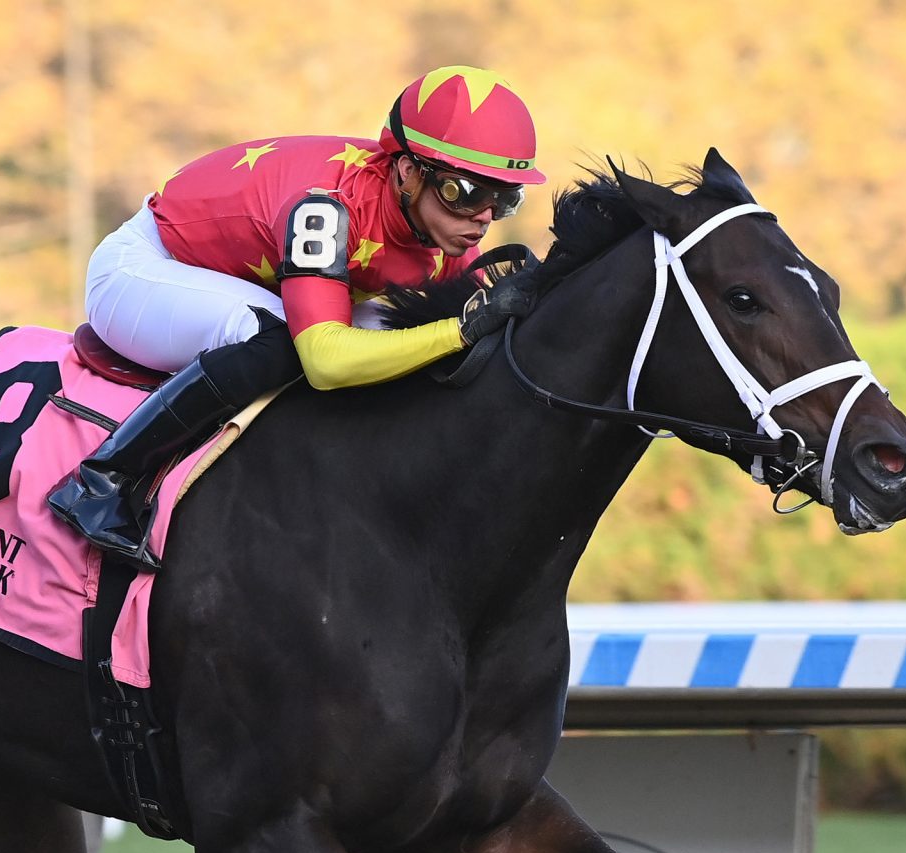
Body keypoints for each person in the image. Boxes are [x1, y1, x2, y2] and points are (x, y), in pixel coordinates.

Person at [48, 66, 548, 570]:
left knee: (401, 355)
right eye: (465, 192)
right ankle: (101, 480)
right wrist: (458, 329)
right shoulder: (328, 206)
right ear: (406, 171)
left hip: (252, 283)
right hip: (144, 270)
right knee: (283, 340)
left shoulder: (442, 228)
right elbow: (325, 359)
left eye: (503, 199)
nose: (482, 217)